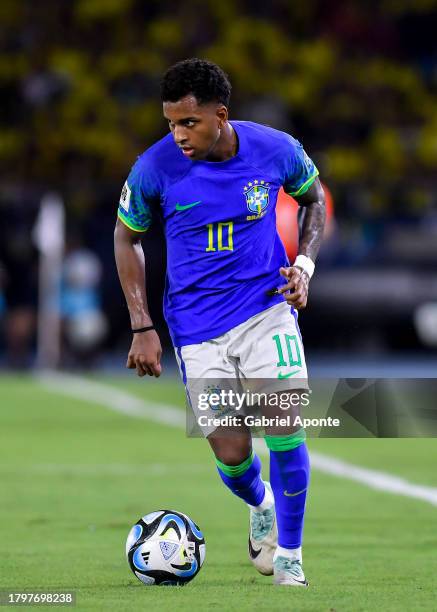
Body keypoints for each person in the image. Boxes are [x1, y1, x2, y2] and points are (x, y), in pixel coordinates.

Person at [114, 58, 325, 587]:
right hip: (195, 325)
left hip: (265, 307)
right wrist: (142, 325)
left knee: (283, 424)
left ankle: (291, 558)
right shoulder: (155, 168)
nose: (178, 135)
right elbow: (126, 238)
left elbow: (312, 201)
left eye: (189, 123)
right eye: (170, 124)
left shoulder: (275, 149)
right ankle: (261, 505)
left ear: (221, 115)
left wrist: (304, 265)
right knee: (233, 456)